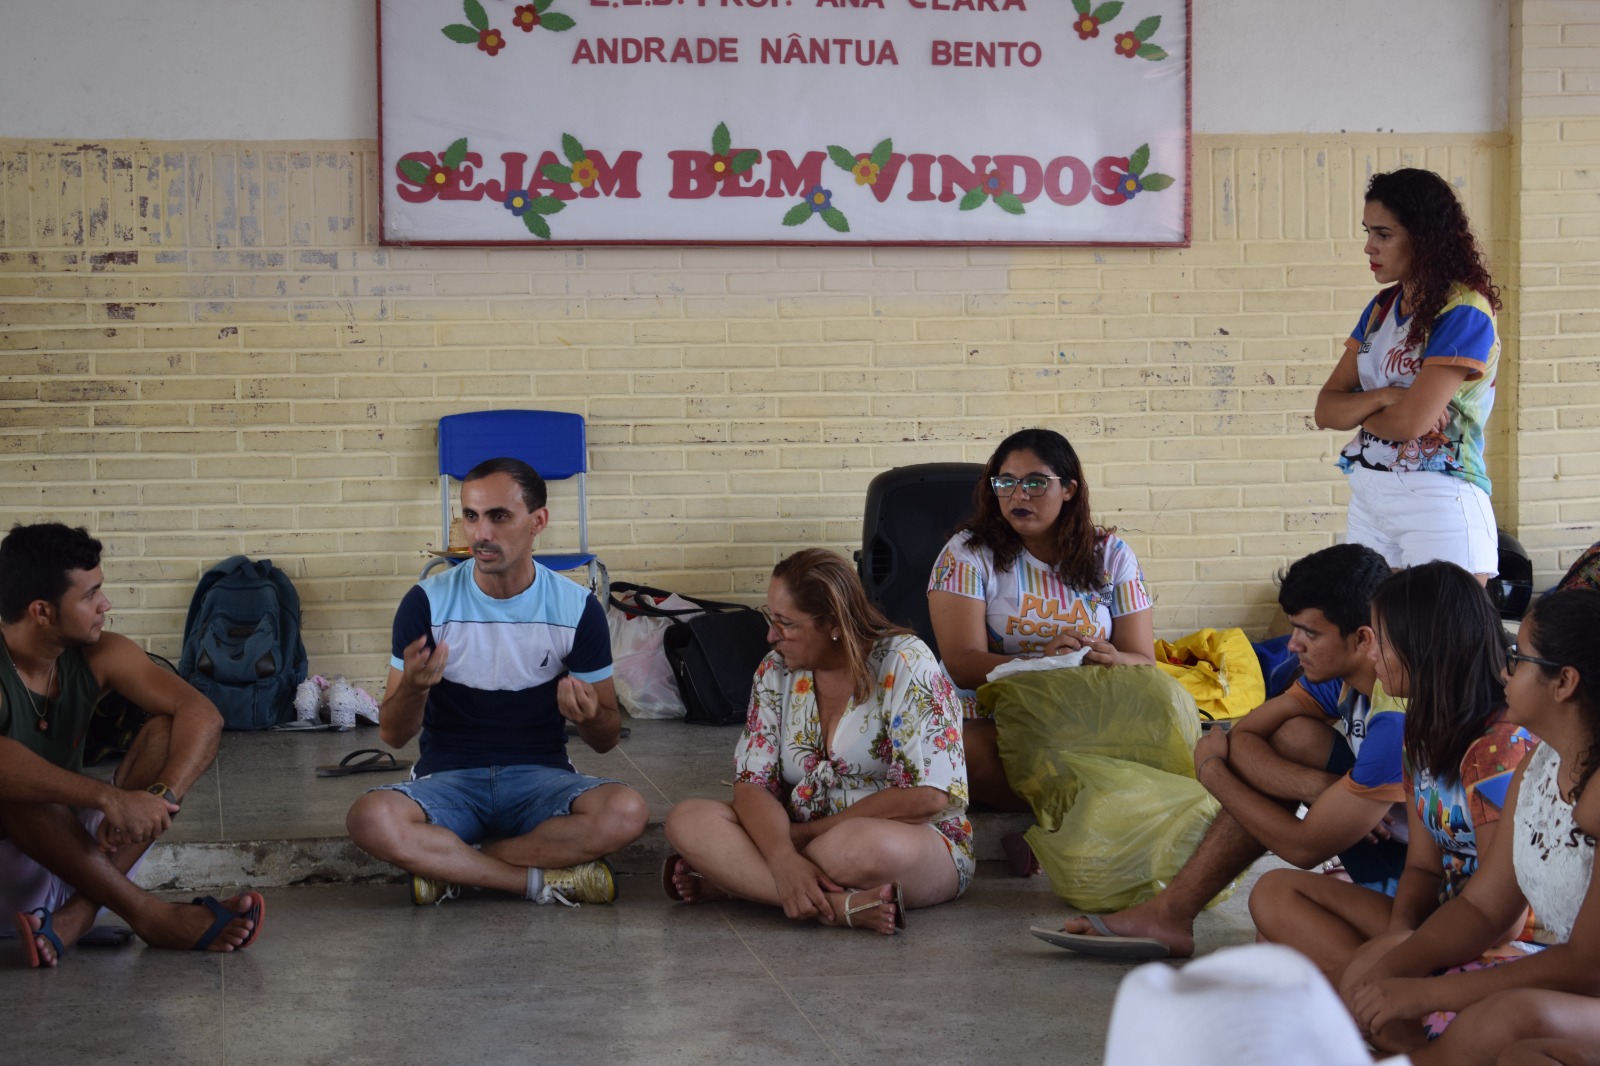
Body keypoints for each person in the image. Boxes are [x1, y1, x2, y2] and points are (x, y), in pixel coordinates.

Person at [1037, 543, 1406, 959]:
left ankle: (1396, 955)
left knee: (1275, 916)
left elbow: (1305, 849)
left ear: (1362, 638)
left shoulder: (1395, 718)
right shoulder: (1343, 673)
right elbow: (1248, 733)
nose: (1292, 646)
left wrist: (1211, 772)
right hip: (1393, 851)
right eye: (1295, 629)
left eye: (1310, 633)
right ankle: (1170, 913)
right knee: (1292, 737)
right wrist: (1320, 786)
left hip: (1426, 890)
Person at [345, 458, 647, 907]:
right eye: (471, 516)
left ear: (538, 521)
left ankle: (453, 867)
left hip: (542, 781)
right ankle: (532, 882)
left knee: (626, 811)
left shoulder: (576, 608)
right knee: (369, 818)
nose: (481, 533)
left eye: (498, 516)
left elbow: (604, 741)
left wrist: (589, 716)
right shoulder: (427, 602)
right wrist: (414, 688)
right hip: (447, 782)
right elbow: (392, 734)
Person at [1343, 589, 1600, 1063]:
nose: (1504, 671)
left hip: (1577, 979)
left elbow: (1586, 964)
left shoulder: (1519, 757)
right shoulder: (1538, 768)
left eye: (1518, 658)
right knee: (1372, 970)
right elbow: (1483, 906)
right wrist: (1396, 964)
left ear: (1564, 682)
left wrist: (1424, 994)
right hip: (1563, 979)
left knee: (1513, 1020)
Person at [1250, 562, 1537, 979]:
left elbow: (1501, 919)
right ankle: (1377, 991)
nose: (1370, 654)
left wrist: (1404, 953)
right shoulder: (1421, 728)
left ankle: (1381, 994)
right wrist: (1398, 935)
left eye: (1381, 642)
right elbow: (1422, 868)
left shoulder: (1497, 749)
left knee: (1295, 956)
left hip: (1502, 942)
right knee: (1274, 894)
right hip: (1440, 919)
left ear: (1423, 647)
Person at [662, 549, 971, 935]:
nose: (771, 636)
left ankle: (739, 883)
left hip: (904, 839)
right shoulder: (775, 670)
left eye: (786, 623)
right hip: (794, 836)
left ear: (833, 623)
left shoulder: (905, 662)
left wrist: (801, 839)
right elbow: (752, 784)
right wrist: (781, 858)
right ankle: (836, 906)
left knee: (854, 847)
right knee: (688, 820)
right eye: (770, 618)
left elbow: (928, 796)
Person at [1, 522, 262, 967]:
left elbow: (203, 715)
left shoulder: (100, 653)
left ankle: (75, 917)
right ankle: (149, 914)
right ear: (41, 611)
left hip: (78, 863)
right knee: (21, 786)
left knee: (167, 731)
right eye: (89, 595)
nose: (105, 604)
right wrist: (109, 798)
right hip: (8, 872)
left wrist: (158, 797)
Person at [927, 427, 1154, 818]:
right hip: (990, 716)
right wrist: (1043, 665)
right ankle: (1069, 820)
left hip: (1083, 713)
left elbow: (1144, 662)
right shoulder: (967, 554)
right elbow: (962, 664)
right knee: (962, 750)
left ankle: (1066, 819)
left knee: (1163, 731)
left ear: (1068, 489)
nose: (1019, 495)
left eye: (1035, 482)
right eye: (1006, 483)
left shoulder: (1111, 555)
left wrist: (1111, 659)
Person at [1315, 167, 1501, 580]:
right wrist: (1386, 397)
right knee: (1375, 622)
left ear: (1425, 236)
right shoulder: (1382, 307)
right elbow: (1326, 410)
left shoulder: (1463, 311)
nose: (1369, 247)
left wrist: (1363, 408)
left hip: (1438, 493)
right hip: (1370, 493)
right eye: (1368, 232)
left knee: (1441, 622)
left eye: (1383, 234)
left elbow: (1409, 425)